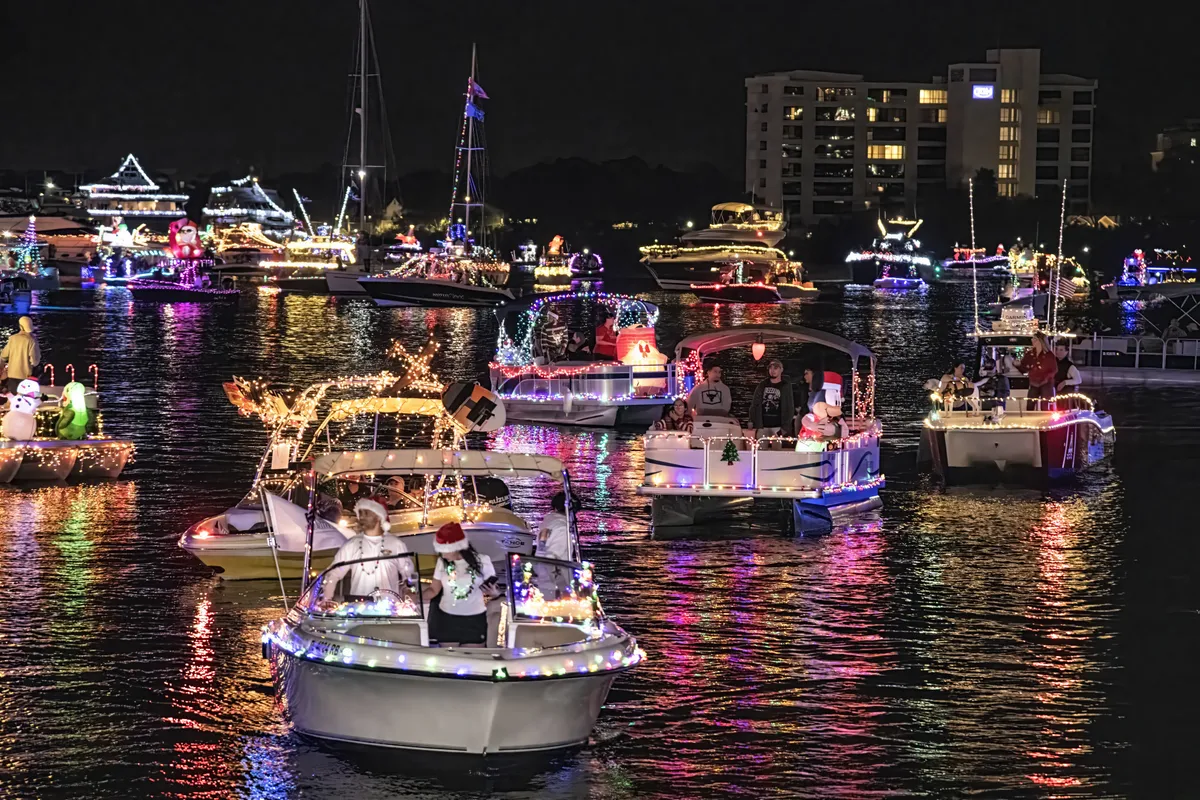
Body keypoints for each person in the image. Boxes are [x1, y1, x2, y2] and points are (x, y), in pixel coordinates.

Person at [320, 496, 414, 603]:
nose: (361, 517)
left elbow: (409, 575)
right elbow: (333, 573)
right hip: (359, 611)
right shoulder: (351, 545)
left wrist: (410, 593)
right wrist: (326, 599)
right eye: (360, 513)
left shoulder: (396, 544)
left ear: (379, 516)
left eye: (366, 513)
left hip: (390, 611)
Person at [423, 522, 500, 646]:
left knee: (473, 662)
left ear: (456, 547)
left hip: (474, 620)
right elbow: (433, 590)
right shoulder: (441, 562)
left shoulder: (483, 561)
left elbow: (495, 592)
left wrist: (494, 593)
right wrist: (415, 596)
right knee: (449, 663)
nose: (443, 555)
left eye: (445, 551)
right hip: (446, 619)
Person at [749, 359, 795, 436]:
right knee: (760, 447)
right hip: (762, 426)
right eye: (771, 368)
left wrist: (785, 427)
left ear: (781, 370)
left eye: (775, 368)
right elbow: (755, 404)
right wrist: (751, 420)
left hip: (778, 427)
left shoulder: (785, 387)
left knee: (776, 448)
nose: (772, 370)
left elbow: (790, 407)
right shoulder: (762, 385)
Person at [1, 316, 40, 394]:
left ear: (20, 326)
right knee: (24, 400)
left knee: (14, 400)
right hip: (25, 376)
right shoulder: (32, 340)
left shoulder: (13, 338)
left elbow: (3, 355)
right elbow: (35, 361)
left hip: (12, 375)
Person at [1018, 332, 1057, 406]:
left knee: (1045, 405)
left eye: (1034, 339)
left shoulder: (1049, 355)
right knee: (1030, 404)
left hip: (1046, 384)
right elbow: (1024, 368)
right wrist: (1018, 365)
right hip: (1034, 383)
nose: (1032, 340)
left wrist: (1045, 379)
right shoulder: (1029, 354)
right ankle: (1029, 416)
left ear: (1040, 341)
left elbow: (1053, 370)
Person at [537, 492, 572, 562]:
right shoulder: (563, 528)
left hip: (540, 567)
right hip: (557, 571)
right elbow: (553, 557)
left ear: (555, 508)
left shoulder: (546, 523)